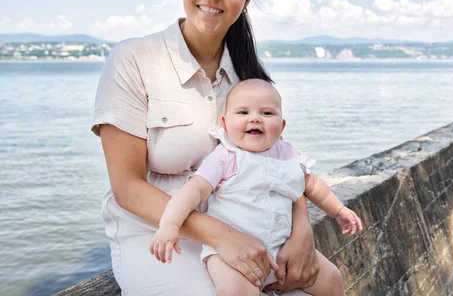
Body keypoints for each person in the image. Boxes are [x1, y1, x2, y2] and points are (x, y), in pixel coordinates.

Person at [92, 0, 322, 295]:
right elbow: (126, 187)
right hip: (157, 233)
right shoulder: (133, 59)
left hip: (245, 221)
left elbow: (279, 163)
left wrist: (303, 230)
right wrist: (222, 236)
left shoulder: (248, 76)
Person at [149, 79, 363, 296]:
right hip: (234, 254)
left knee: (333, 279)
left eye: (267, 113)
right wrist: (170, 225)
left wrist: (339, 211)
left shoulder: (290, 155)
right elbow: (193, 191)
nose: (255, 118)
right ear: (224, 123)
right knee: (235, 291)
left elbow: (314, 186)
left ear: (282, 126)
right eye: (242, 112)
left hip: (282, 251)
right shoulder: (226, 157)